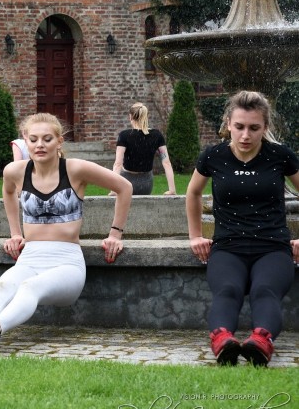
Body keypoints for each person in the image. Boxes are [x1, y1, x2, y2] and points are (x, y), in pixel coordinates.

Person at [0, 113, 132, 354]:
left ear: (59, 141)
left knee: (29, 287)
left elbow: (124, 187)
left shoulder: (76, 169)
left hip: (67, 264)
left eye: (47, 139)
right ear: (25, 140)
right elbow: (9, 193)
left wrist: (115, 234)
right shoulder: (15, 171)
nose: (39, 145)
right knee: (4, 284)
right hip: (31, 256)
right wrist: (15, 232)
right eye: (33, 139)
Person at [186, 91, 299, 367]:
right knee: (227, 290)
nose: (245, 135)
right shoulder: (213, 156)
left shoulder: (280, 155)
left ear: (265, 128)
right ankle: (223, 340)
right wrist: (195, 235)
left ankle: (261, 341)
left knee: (265, 291)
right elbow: (193, 193)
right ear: (228, 124)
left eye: (254, 128)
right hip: (228, 247)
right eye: (239, 127)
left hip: (272, 247)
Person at [112, 102, 176, 196]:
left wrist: (113, 190)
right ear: (146, 116)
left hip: (125, 183)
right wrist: (172, 190)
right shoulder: (156, 135)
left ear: (130, 117)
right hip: (146, 184)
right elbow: (166, 163)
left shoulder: (124, 135)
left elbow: (118, 164)